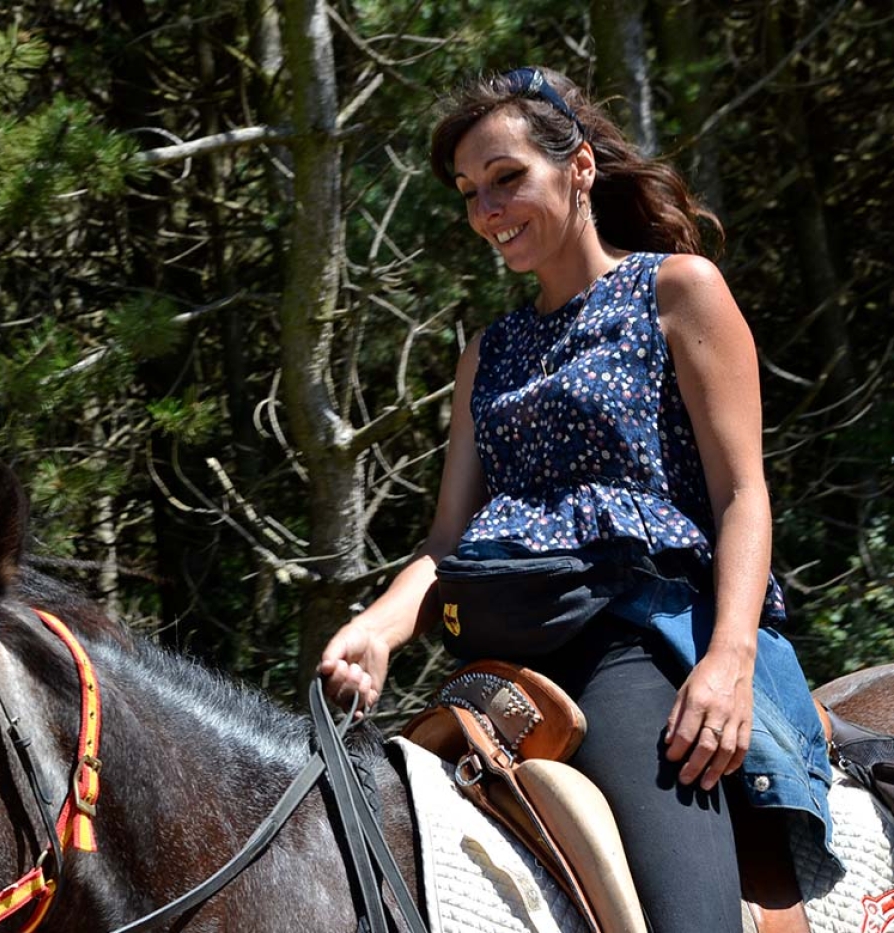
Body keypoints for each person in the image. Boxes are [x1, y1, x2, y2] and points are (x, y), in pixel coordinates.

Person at [319, 67, 839, 932]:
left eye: (507, 176)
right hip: (491, 656)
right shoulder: (489, 352)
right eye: (470, 191)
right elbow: (447, 542)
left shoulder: (677, 290)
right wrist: (377, 627)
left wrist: (728, 661)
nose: (487, 207)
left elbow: (742, 492)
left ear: (581, 168)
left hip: (628, 646)